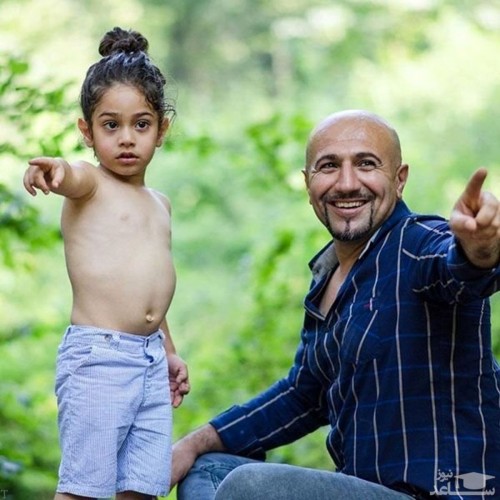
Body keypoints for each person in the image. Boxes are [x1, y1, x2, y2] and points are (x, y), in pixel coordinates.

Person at [171, 110, 500, 500]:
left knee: (249, 486)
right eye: (329, 166)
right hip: (365, 488)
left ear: (399, 179)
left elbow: (461, 268)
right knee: (208, 470)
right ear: (308, 183)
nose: (346, 183)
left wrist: (481, 249)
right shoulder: (329, 278)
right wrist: (194, 443)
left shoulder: (416, 244)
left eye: (366, 164)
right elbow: (303, 395)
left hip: (453, 489)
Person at [23, 27, 189, 500]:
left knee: (140, 487)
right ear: (87, 132)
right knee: (85, 487)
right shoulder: (91, 186)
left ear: (162, 130)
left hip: (150, 361)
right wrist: (55, 169)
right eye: (110, 125)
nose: (127, 139)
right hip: (99, 360)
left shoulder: (160, 203)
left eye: (141, 124)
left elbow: (152, 288)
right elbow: (71, 176)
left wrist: (169, 350)